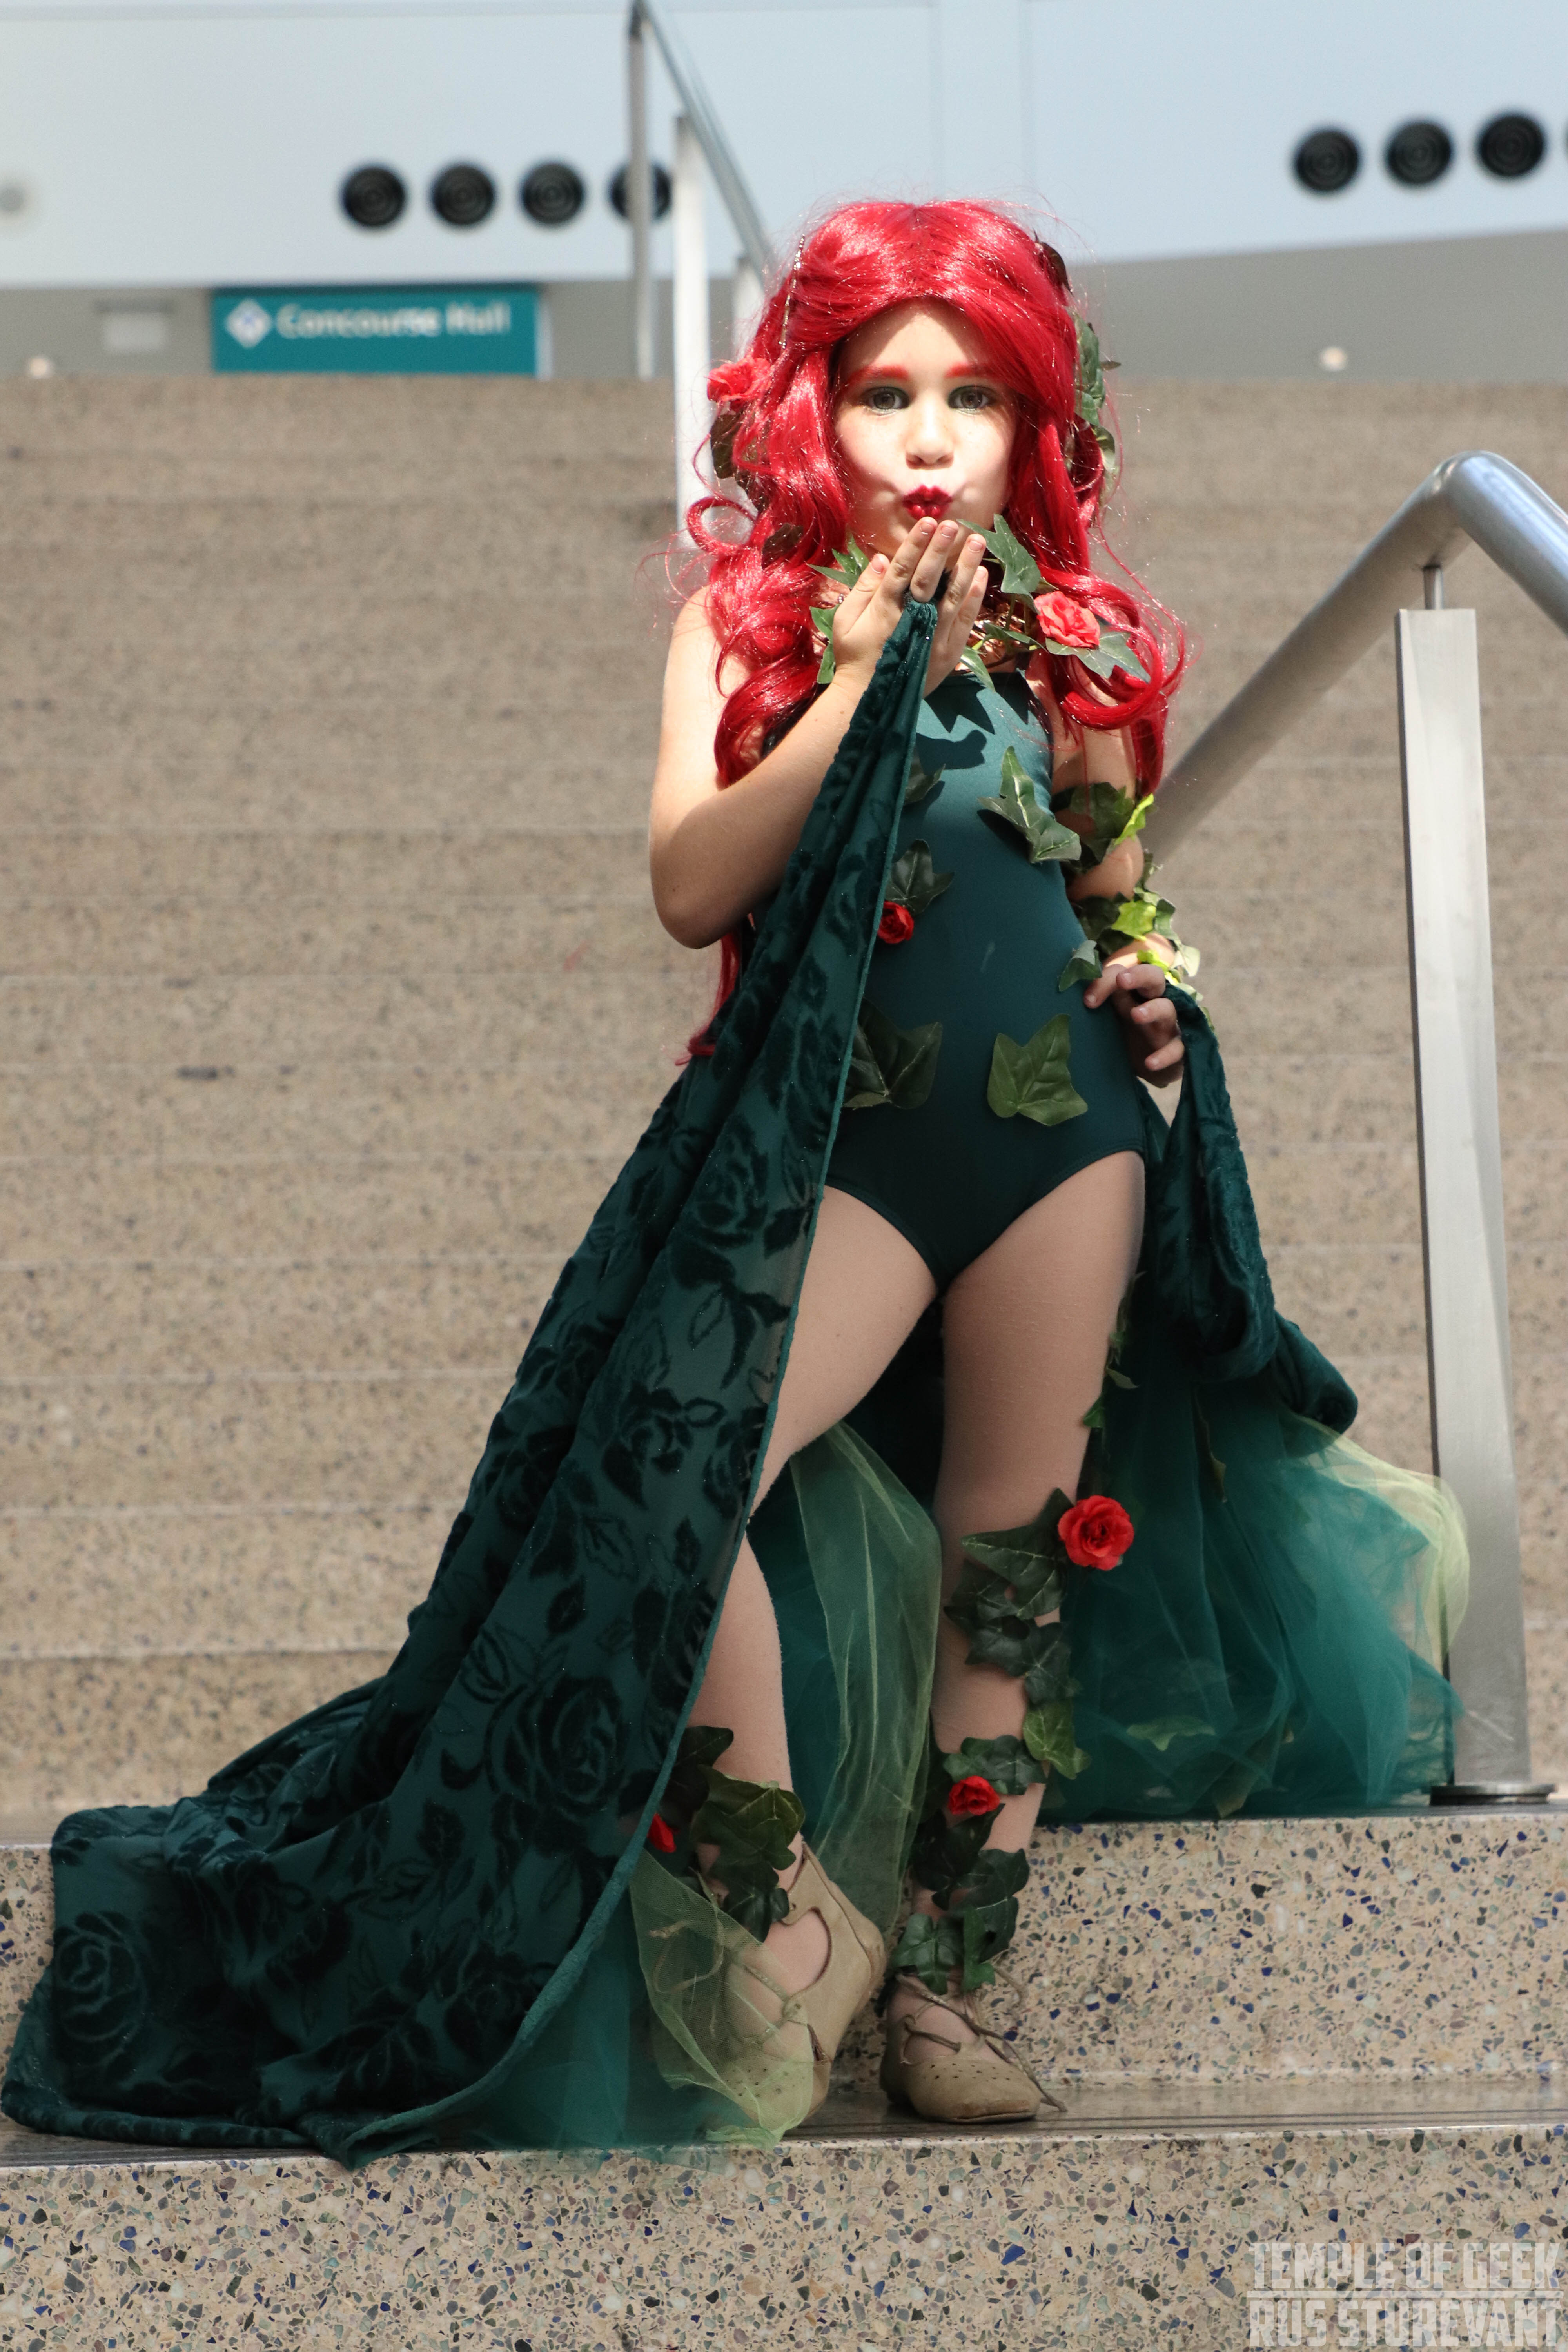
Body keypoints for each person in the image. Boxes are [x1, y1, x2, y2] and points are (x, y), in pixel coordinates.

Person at [1, 200, 1466, 2167]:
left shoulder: (1089, 652)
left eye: (974, 397)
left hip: (1065, 1141)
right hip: (843, 1143)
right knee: (665, 1488)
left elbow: (1114, 888)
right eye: (885, 394)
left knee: (1012, 1561)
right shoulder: (753, 633)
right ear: (812, 414)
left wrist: (1156, 994)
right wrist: (862, 681)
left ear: (1038, 426)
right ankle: (788, 1924)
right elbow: (693, 886)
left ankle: (948, 1989)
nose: (928, 436)